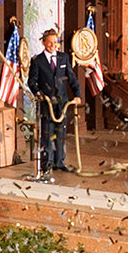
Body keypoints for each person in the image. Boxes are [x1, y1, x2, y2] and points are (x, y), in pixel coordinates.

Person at [26, 27, 79, 176]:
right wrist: (38, 93)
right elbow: (32, 81)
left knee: (60, 131)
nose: (52, 45)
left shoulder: (63, 58)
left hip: (62, 103)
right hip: (46, 103)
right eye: (49, 42)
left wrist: (77, 95)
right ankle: (47, 163)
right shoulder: (37, 61)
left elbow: (72, 78)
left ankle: (59, 161)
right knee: (48, 132)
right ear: (43, 43)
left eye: (55, 42)